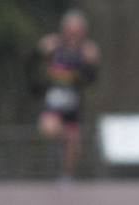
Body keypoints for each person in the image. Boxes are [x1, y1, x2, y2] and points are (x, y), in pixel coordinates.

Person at [32, 9, 100, 180]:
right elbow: (33, 71)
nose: (73, 35)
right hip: (53, 104)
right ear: (64, 30)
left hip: (74, 106)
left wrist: (91, 64)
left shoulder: (86, 51)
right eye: (70, 30)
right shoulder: (54, 47)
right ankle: (66, 141)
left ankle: (66, 176)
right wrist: (39, 52)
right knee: (49, 128)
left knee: (73, 141)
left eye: (77, 31)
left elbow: (91, 80)